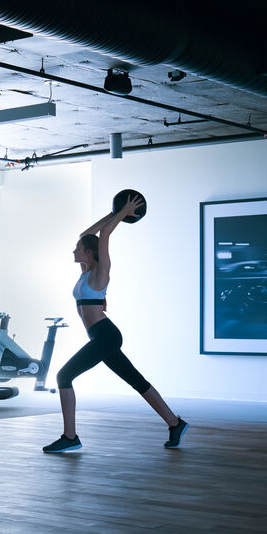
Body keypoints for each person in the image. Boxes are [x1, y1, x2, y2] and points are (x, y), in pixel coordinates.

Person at [43, 194, 188, 453]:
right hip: (100, 336)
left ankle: (70, 436)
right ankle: (175, 423)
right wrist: (114, 212)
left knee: (64, 376)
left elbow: (104, 236)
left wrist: (124, 213)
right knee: (136, 380)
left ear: (89, 252)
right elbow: (88, 233)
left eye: (78, 248)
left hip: (105, 336)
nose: (73, 251)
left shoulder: (101, 271)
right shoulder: (85, 271)